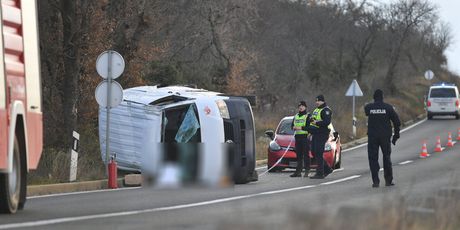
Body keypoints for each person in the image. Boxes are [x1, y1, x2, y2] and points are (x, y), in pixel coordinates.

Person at [364, 89, 401, 188]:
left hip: (372, 137)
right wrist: (396, 135)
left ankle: (375, 181)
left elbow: (366, 111)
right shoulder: (388, 108)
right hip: (385, 137)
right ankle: (388, 181)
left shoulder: (369, 107)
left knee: (373, 159)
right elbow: (397, 122)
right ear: (382, 97)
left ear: (373, 97)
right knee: (387, 157)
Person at [308, 95, 333, 179]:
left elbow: (326, 122)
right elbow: (313, 120)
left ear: (322, 101)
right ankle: (327, 168)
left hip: (322, 133)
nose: (317, 102)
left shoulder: (326, 110)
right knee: (314, 152)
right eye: (316, 101)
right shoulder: (316, 110)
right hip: (315, 133)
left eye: (318, 101)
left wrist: (316, 123)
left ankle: (320, 173)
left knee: (319, 152)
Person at [290, 101, 311, 177]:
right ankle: (298, 172)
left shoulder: (308, 116)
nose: (300, 107)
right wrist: (293, 127)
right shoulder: (296, 116)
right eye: (299, 106)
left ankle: (307, 170)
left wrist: (301, 127)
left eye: (302, 106)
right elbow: (292, 126)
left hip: (305, 137)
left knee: (306, 155)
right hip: (297, 137)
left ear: (305, 107)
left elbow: (310, 128)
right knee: (298, 155)